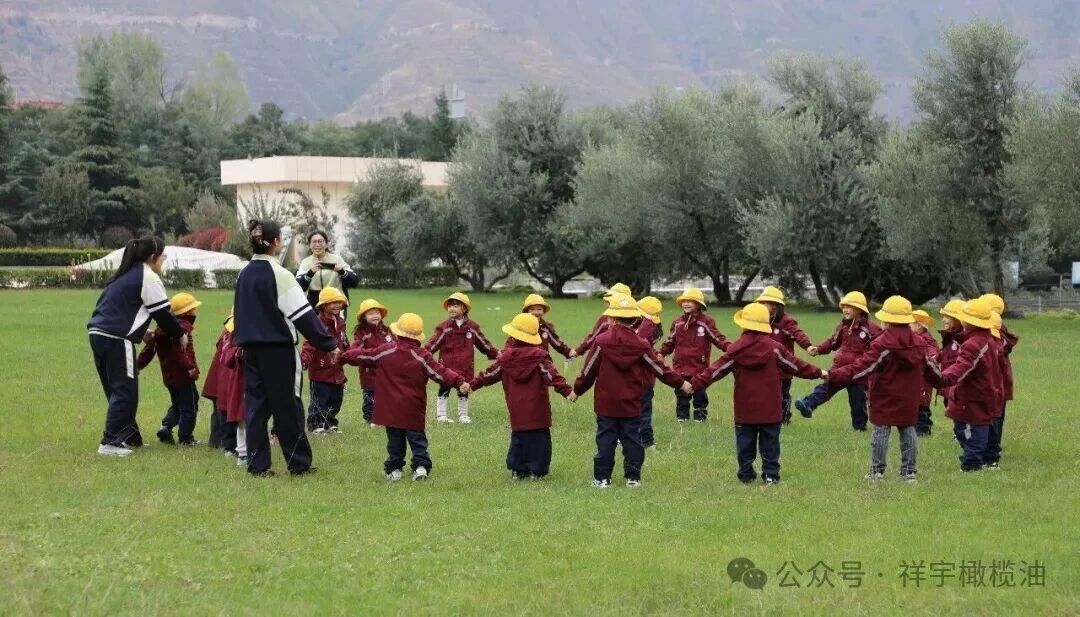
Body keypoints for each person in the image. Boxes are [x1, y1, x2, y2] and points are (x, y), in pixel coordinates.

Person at [233, 219, 339, 477]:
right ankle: (298, 463)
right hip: (278, 351)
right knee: (287, 406)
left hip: (250, 350)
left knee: (256, 407)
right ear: (276, 242)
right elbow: (303, 316)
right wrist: (328, 344)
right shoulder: (280, 275)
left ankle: (257, 466)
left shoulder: (243, 274)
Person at [689, 303, 822, 485]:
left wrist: (692, 384)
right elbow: (796, 366)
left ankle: (746, 476)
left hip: (745, 409)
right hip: (770, 408)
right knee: (770, 444)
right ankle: (770, 476)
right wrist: (819, 372)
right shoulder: (774, 348)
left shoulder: (735, 349)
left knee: (745, 444)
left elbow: (715, 370)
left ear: (744, 324)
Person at [87, 236, 187, 456]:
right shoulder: (148, 277)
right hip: (116, 339)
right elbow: (162, 314)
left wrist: (141, 332)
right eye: (162, 256)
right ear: (153, 257)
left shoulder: (125, 275)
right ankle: (110, 442)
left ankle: (130, 438)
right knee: (125, 391)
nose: (164, 259)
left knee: (117, 389)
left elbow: (121, 309)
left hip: (98, 334)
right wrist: (180, 334)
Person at [573, 294, 687, 488]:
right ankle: (633, 478)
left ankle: (602, 479)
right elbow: (659, 369)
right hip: (632, 402)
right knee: (632, 439)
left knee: (605, 440)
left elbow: (589, 369)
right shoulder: (641, 345)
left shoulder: (601, 341)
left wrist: (577, 390)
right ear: (636, 320)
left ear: (612, 319)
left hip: (606, 403)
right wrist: (681, 383)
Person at [826, 297, 942, 482]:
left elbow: (864, 366)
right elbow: (930, 368)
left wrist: (834, 375)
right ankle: (909, 473)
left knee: (881, 430)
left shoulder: (883, 342)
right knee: (908, 429)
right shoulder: (919, 341)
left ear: (888, 319)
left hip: (884, 395)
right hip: (909, 396)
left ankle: (876, 472)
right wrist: (945, 381)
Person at [342, 313, 465, 481]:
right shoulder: (422, 355)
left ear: (398, 332)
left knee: (395, 441)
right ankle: (421, 467)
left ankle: (394, 469)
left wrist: (342, 356)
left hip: (390, 408)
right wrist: (459, 382)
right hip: (413, 407)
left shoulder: (385, 350)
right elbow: (440, 372)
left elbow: (363, 355)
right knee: (417, 439)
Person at [469, 313, 577, 480]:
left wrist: (471, 385)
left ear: (513, 335)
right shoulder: (540, 357)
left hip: (516, 406)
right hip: (537, 406)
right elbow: (552, 376)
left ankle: (518, 470)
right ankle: (537, 471)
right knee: (540, 438)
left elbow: (489, 375)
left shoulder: (505, 358)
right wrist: (568, 391)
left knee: (519, 436)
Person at [924, 298, 1004, 472]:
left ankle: (972, 464)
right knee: (974, 425)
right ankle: (986, 460)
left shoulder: (974, 344)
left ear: (968, 321)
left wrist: (941, 378)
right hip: (984, 391)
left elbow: (962, 368)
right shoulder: (985, 338)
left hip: (974, 393)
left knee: (969, 428)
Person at [794, 291, 880, 431]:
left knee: (857, 400)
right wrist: (819, 349)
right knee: (827, 387)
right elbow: (832, 342)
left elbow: (879, 345)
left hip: (858, 372)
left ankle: (859, 427)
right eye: (844, 306)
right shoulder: (842, 327)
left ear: (860, 309)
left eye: (849, 307)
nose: (845, 309)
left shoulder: (871, 329)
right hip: (840, 368)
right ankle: (808, 404)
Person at [138, 292, 203, 446]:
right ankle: (186, 439)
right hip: (183, 375)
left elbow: (150, 348)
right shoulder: (182, 329)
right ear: (187, 312)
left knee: (178, 404)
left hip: (168, 376)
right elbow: (180, 352)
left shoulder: (161, 329)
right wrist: (190, 367)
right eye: (194, 309)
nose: (196, 312)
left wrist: (138, 364)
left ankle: (166, 427)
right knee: (190, 406)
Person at [425, 292, 498, 424]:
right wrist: (424, 354)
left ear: (464, 309)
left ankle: (463, 415)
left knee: (464, 389)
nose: (451, 309)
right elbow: (433, 343)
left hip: (465, 365)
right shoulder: (444, 328)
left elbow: (483, 343)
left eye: (455, 306)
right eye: (450, 306)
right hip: (446, 366)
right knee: (444, 389)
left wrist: (496, 353)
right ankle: (441, 415)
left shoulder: (472, 327)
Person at [659, 287, 727, 422]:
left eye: (690, 301)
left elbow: (717, 338)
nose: (686, 303)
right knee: (681, 395)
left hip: (699, 368)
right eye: (684, 301)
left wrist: (730, 348)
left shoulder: (706, 322)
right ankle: (682, 419)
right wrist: (661, 353)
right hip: (680, 367)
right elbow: (670, 341)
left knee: (699, 394)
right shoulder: (678, 323)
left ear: (699, 304)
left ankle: (700, 419)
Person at [754, 286, 812, 424]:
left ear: (774, 305)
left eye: (764, 303)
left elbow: (797, 334)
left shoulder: (786, 321)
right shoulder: (762, 320)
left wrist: (807, 345)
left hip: (783, 368)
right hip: (766, 366)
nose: (761, 305)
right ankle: (768, 417)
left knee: (782, 394)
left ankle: (784, 418)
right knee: (766, 394)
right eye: (760, 303)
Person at [300, 287, 351, 434]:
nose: (337, 305)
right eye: (332, 303)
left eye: (339, 302)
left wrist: (350, 354)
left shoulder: (340, 322)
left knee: (336, 398)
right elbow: (309, 344)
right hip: (320, 371)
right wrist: (305, 360)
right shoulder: (317, 324)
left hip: (337, 369)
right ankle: (316, 425)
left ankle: (329, 422)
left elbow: (344, 341)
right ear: (323, 305)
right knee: (320, 399)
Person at [980, 293, 1017, 470]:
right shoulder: (1000, 332)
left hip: (996, 384)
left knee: (994, 417)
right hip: (1000, 383)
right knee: (996, 416)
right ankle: (992, 448)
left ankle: (991, 452)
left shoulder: (994, 335)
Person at [295, 230, 360, 317]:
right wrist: (310, 273)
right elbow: (298, 286)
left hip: (337, 304)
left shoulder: (337, 260)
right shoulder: (305, 263)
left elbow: (354, 281)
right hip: (315, 306)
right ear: (310, 245)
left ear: (326, 244)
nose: (317, 244)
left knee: (337, 326)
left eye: (320, 241)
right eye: (314, 242)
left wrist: (341, 271)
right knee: (317, 326)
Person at [351, 298, 392, 427]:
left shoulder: (386, 331)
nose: (375, 316)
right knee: (370, 396)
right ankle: (370, 418)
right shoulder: (361, 332)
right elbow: (356, 349)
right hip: (369, 372)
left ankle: (384, 417)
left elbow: (394, 345)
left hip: (386, 371)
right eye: (371, 313)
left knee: (386, 395)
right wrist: (365, 356)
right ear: (364, 317)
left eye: (377, 313)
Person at [635, 296, 664, 449]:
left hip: (641, 378)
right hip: (644, 379)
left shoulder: (645, 326)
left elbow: (639, 347)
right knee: (642, 411)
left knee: (641, 413)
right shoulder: (649, 326)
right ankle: (644, 440)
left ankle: (646, 441)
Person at [573, 283, 632, 357]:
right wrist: (579, 350)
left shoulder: (606, 319)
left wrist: (578, 351)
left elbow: (593, 337)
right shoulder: (605, 318)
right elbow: (593, 337)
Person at [910, 309, 940, 437]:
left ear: (918, 326)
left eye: (909, 324)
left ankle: (923, 430)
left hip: (924, 380)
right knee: (915, 404)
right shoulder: (915, 338)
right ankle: (917, 428)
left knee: (921, 405)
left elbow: (933, 353)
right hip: (916, 378)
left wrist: (931, 359)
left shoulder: (926, 340)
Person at [521, 294, 574, 359]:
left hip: (543, 361)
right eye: (532, 309)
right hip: (527, 361)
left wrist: (568, 352)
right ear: (526, 311)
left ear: (543, 311)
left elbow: (556, 342)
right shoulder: (521, 327)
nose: (536, 312)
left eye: (539, 309)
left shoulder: (545, 327)